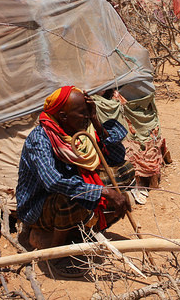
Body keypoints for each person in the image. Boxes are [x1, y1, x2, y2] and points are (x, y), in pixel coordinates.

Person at [16, 86, 134, 274]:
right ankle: (57, 255)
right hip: (39, 207)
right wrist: (103, 191)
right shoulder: (41, 138)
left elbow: (116, 158)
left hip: (68, 191)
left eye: (88, 112)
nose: (86, 117)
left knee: (124, 173)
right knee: (75, 196)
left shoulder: (81, 131)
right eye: (83, 113)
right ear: (63, 116)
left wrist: (95, 120)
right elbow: (53, 181)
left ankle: (78, 232)